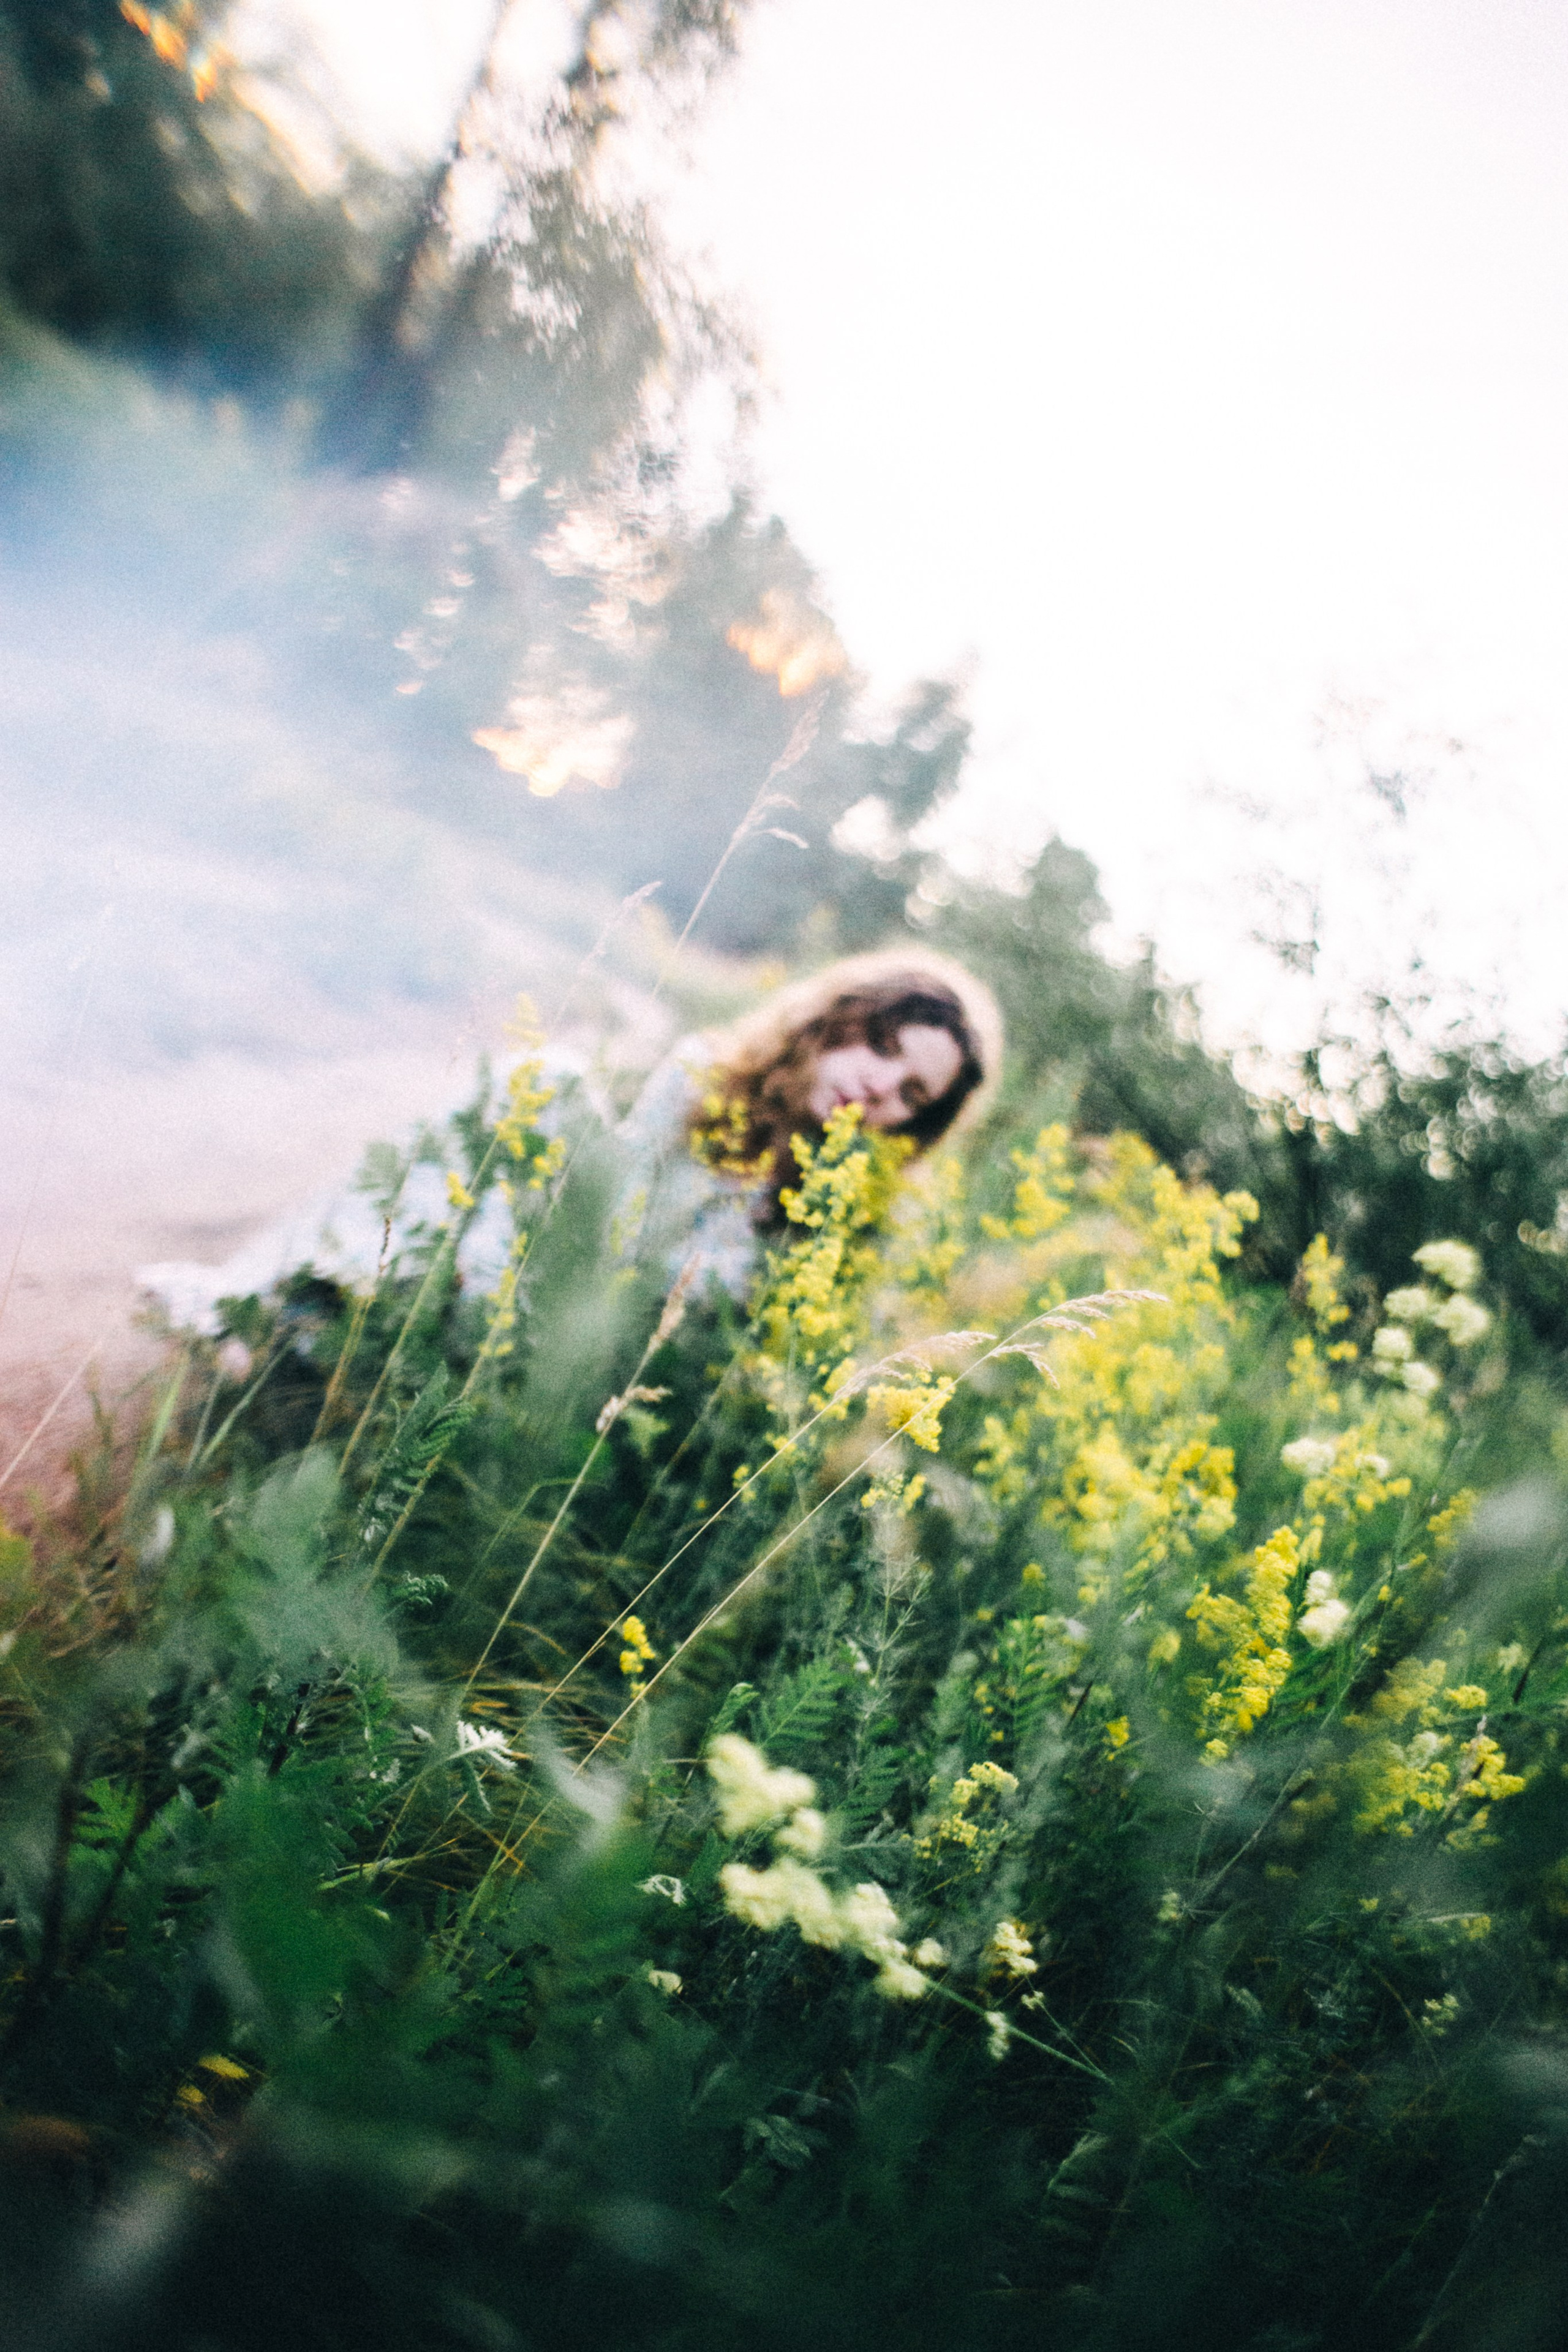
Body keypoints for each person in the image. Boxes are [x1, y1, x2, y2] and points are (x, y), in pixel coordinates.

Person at [618, 947, 1003, 1293]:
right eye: (882, 1046)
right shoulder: (700, 1075)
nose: (880, 1086)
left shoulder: (866, 1218)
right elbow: (608, 1199)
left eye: (911, 1094)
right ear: (838, 1014)